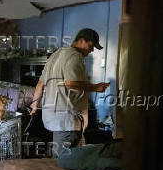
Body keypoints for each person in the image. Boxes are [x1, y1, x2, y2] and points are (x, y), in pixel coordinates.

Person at [30, 28, 110, 157]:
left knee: (68, 159)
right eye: (91, 46)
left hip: (55, 120)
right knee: (62, 163)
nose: (92, 50)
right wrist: (95, 87)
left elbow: (40, 84)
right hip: (67, 121)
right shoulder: (74, 56)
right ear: (82, 40)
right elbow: (71, 84)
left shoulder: (55, 55)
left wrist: (34, 106)